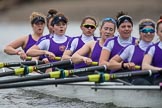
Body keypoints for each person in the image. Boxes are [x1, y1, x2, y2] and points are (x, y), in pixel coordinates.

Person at [109, 18, 155, 85]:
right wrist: (124, 65)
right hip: (136, 82)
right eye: (145, 31)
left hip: (154, 81)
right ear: (140, 32)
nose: (148, 33)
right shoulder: (131, 48)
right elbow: (110, 64)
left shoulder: (157, 48)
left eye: (151, 31)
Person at [142, 15, 162, 85]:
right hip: (159, 79)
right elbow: (144, 66)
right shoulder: (152, 48)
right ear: (157, 33)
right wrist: (160, 69)